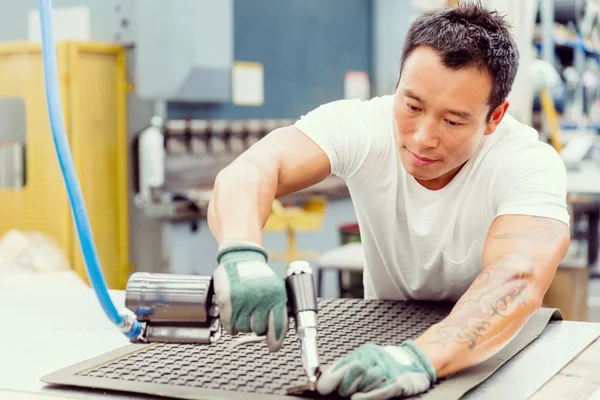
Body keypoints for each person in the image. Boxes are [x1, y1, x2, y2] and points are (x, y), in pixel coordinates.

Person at [208, 2, 571, 399]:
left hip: (490, 350)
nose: (422, 138)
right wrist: (241, 252)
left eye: (452, 121)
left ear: (495, 117)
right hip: (380, 325)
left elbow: (517, 276)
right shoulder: (363, 126)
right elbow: (253, 169)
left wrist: (423, 356)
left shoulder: (527, 162)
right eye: (412, 106)